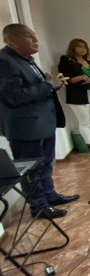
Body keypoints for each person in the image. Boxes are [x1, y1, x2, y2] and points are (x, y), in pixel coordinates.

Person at [0, 24, 78, 219]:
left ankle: (49, 195)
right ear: (12, 40)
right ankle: (39, 205)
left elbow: (39, 87)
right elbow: (14, 96)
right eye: (29, 37)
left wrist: (54, 84)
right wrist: (48, 85)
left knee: (46, 164)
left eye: (35, 37)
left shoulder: (27, 60)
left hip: (42, 123)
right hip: (26, 127)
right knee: (32, 169)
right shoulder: (5, 62)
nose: (36, 41)